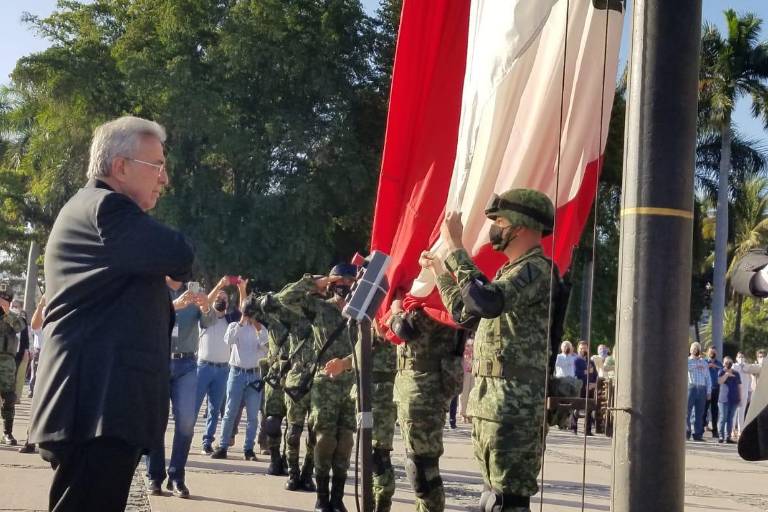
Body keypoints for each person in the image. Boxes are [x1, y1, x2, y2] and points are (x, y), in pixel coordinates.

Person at [28, 116, 194, 512]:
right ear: (121, 167)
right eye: (158, 166)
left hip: (99, 405)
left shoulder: (94, 210)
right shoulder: (107, 210)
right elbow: (179, 254)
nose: (165, 180)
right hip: (97, 408)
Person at [426, 188, 557, 511]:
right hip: (492, 403)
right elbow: (465, 310)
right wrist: (440, 272)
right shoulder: (509, 273)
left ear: (521, 226)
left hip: (514, 406)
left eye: (499, 220)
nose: (494, 228)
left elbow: (487, 300)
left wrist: (457, 247)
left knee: (507, 501)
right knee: (491, 497)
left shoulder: (537, 269)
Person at [273, 264, 357, 512]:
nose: (346, 285)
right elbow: (284, 298)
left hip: (351, 385)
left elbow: (372, 346)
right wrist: (315, 281)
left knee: (345, 443)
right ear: (332, 284)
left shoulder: (361, 315)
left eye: (351, 281)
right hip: (325, 384)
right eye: (341, 280)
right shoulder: (320, 308)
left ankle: (337, 497)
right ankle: (322, 497)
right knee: (324, 441)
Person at [385, 301, 463, 512]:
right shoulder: (433, 302)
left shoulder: (433, 304)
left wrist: (395, 310)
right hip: (415, 388)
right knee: (421, 464)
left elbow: (405, 329)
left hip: (423, 391)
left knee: (422, 469)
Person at [145, 278, 209, 498]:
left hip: (187, 364)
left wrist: (206, 304)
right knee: (155, 421)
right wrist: (175, 306)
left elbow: (209, 322)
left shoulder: (194, 293)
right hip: (159, 361)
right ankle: (154, 476)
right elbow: (144, 317)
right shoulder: (152, 290)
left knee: (186, 423)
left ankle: (177, 476)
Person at [211, 293, 269, 460]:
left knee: (252, 415)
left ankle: (248, 449)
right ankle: (223, 446)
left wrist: (257, 325)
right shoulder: (235, 326)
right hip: (236, 373)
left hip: (254, 375)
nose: (249, 315)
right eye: (247, 312)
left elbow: (266, 348)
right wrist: (242, 322)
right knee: (230, 412)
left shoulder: (261, 329)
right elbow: (228, 340)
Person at [195, 278, 242, 455]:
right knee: (194, 406)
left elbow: (244, 308)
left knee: (215, 409)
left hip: (223, 369)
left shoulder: (231, 320)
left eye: (224, 298)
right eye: (218, 297)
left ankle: (207, 441)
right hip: (203, 367)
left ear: (227, 304)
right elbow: (205, 302)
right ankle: (185, 438)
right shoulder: (207, 317)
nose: (220, 299)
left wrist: (240, 288)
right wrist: (220, 287)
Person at [0, 284, 25, 446]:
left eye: (4, 299)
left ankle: (7, 433)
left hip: (6, 362)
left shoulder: (15, 316)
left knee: (8, 398)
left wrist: (7, 312)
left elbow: (20, 326)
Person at [570, 341, 597, 436]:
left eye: (585, 348)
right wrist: (587, 371)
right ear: (578, 350)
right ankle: (573, 428)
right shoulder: (576, 360)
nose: (583, 350)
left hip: (590, 388)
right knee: (576, 406)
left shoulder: (591, 362)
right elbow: (577, 373)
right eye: (581, 348)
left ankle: (588, 430)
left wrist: (593, 384)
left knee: (589, 408)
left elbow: (595, 375)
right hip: (580, 386)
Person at [687, 342, 710, 442]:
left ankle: (697, 434)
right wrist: (695, 366)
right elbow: (685, 369)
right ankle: (686, 432)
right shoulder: (687, 361)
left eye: (697, 348)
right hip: (691, 387)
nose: (695, 350)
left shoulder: (704, 362)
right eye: (693, 348)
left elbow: (708, 377)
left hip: (702, 388)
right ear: (690, 350)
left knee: (699, 413)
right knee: (687, 412)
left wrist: (709, 391)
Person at [717, 356, 742, 444]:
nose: (728, 364)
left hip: (734, 399)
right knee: (723, 417)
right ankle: (720, 436)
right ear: (723, 363)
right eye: (726, 363)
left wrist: (740, 398)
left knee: (730, 418)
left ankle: (728, 437)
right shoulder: (721, 371)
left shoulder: (736, 373)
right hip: (724, 399)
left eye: (730, 363)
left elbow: (739, 386)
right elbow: (720, 381)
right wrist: (727, 374)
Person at [11, 299, 30, 404]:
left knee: (17, 374)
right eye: (13, 306)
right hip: (6, 352)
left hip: (19, 352)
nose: (14, 308)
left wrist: (26, 351)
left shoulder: (23, 321)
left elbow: (26, 338)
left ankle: (15, 397)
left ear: (21, 308)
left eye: (16, 306)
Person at [704, 347, 723, 438]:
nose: (712, 353)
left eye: (714, 352)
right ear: (708, 353)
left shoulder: (719, 363)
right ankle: (700, 429)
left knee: (715, 411)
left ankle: (715, 431)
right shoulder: (704, 362)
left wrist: (716, 367)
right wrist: (708, 366)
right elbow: (700, 369)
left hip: (716, 389)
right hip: (706, 389)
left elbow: (723, 371)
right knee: (704, 410)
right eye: (711, 352)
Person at [732, 352, 752, 439]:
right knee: (734, 412)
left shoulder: (747, 367)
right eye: (739, 357)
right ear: (736, 358)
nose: (741, 358)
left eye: (742, 357)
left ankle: (740, 430)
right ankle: (732, 430)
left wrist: (749, 393)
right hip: (735, 393)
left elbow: (750, 381)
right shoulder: (734, 366)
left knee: (742, 412)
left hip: (744, 393)